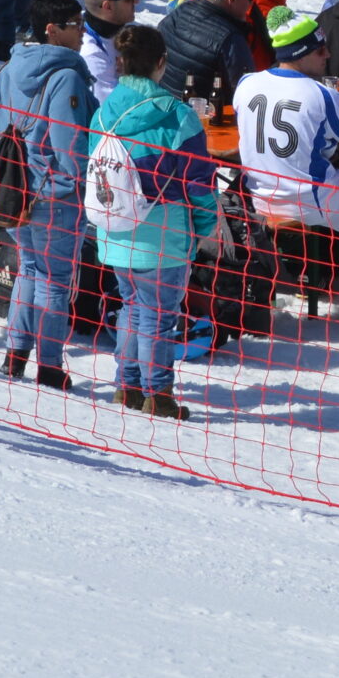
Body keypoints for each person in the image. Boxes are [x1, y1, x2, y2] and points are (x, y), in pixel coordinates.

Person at [88, 23, 219, 418]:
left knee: (132, 306)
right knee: (159, 317)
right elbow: (199, 183)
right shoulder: (179, 117)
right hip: (164, 233)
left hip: (115, 227)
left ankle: (127, 386)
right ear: (162, 62)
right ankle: (158, 395)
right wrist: (206, 226)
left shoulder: (103, 113)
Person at [0, 0, 98, 388]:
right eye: (76, 25)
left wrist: (10, 169)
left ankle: (15, 355)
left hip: (13, 195)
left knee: (30, 269)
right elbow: (70, 146)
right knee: (54, 280)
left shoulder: (8, 67)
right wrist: (73, 184)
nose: (83, 32)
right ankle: (49, 366)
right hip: (53, 196)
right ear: (52, 30)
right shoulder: (66, 77)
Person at [230, 5, 339, 302]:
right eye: (320, 50)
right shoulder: (323, 95)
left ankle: (316, 266)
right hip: (309, 203)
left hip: (259, 196)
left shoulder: (246, 83)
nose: (328, 55)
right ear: (299, 54)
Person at [78, 0, 137, 97]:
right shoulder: (91, 55)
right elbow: (113, 106)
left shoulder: (116, 28)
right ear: (108, 6)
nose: (137, 1)